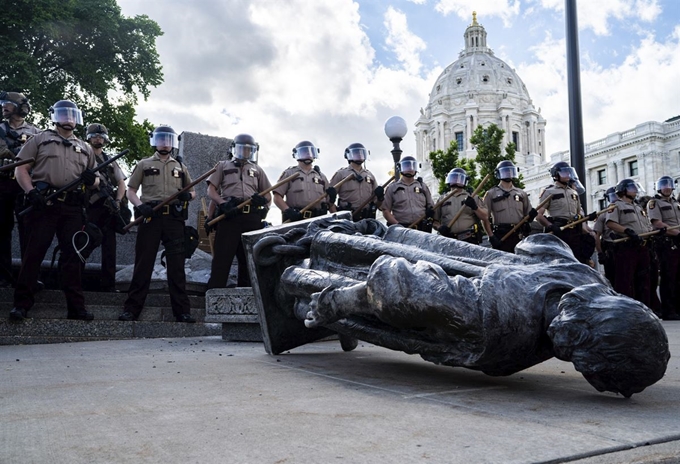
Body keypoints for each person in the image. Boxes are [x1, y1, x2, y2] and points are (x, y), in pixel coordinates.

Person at [262, 219, 668, 398]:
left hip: (423, 275)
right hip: (391, 280)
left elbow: (538, 245)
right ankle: (297, 290)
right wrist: (339, 302)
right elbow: (394, 286)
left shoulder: (590, 285)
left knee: (353, 278)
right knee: (326, 291)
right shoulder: (500, 318)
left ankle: (308, 289)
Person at [9, 100, 99, 321]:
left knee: (74, 256)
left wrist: (92, 180)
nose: (68, 118)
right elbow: (21, 169)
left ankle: (76, 307)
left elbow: (96, 180)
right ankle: (22, 304)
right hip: (44, 204)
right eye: (63, 114)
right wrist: (31, 192)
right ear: (55, 117)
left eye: (72, 115)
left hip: (73, 207)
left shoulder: (86, 148)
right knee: (34, 254)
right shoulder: (40, 139)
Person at [118, 126, 195, 322]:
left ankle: (182, 311)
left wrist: (188, 195)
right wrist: (140, 206)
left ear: (173, 142)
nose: (165, 143)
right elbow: (131, 191)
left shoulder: (180, 167)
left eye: (168, 139)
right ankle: (132, 309)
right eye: (161, 139)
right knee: (143, 264)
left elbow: (192, 192)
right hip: (150, 217)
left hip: (174, 220)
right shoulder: (144, 164)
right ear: (155, 141)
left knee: (177, 266)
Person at [206, 133, 271, 289]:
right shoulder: (222, 166)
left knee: (250, 260)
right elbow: (211, 191)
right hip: (229, 215)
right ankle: (215, 295)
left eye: (249, 150)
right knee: (222, 258)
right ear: (234, 149)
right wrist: (222, 204)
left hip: (251, 218)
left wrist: (263, 204)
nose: (245, 152)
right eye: (242, 149)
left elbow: (268, 194)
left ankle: (247, 295)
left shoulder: (257, 170)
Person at [0, 91, 41, 287]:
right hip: (2, 183)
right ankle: (3, 276)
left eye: (7, 103)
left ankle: (29, 276)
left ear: (19, 107)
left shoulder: (36, 132)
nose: (3, 107)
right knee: (1, 229)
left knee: (29, 230)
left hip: (24, 183)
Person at [84, 123, 127, 292]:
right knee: (85, 241)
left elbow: (122, 183)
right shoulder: (83, 155)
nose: (98, 139)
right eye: (95, 135)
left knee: (110, 247)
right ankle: (75, 279)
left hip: (108, 206)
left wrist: (117, 200)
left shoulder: (110, 160)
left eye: (101, 136)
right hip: (89, 205)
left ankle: (108, 284)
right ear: (89, 137)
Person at [604, 178, 654, 306]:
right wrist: (627, 231)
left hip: (642, 247)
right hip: (627, 247)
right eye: (632, 188)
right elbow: (610, 223)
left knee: (644, 280)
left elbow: (645, 225)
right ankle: (624, 308)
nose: (635, 191)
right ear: (623, 190)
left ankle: (644, 308)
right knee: (625, 281)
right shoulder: (616, 205)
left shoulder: (637, 207)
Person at [536, 161, 596, 264]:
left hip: (574, 232)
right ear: (556, 175)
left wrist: (587, 218)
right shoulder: (549, 192)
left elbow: (578, 213)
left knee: (577, 260)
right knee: (561, 262)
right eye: (564, 173)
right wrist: (550, 226)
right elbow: (539, 215)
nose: (568, 175)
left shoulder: (574, 193)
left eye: (569, 172)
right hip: (559, 231)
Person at [273, 141, 335, 222]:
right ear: (297, 154)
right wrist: (287, 210)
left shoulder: (321, 177)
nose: (308, 155)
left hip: (318, 220)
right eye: (304, 152)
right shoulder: (289, 173)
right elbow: (277, 197)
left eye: (310, 152)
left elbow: (330, 205)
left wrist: (332, 199)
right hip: (296, 219)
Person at [483, 160, 536, 252]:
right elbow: (484, 218)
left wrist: (531, 216)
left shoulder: (521, 193)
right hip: (501, 234)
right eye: (505, 171)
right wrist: (491, 236)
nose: (508, 174)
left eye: (511, 171)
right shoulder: (491, 193)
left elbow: (527, 214)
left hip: (518, 235)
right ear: (499, 173)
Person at [646, 176, 680, 320]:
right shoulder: (654, 203)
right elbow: (657, 223)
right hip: (667, 242)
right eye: (664, 185)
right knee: (669, 276)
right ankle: (668, 310)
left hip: (678, 240)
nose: (667, 187)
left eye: (669, 185)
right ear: (659, 188)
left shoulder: (676, 203)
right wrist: (677, 233)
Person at [330, 142, 383, 221]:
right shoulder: (341, 174)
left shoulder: (370, 175)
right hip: (348, 218)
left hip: (367, 219)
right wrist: (338, 219)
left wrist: (380, 198)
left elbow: (379, 205)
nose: (359, 155)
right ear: (348, 155)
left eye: (361, 153)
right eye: (356, 153)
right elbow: (329, 200)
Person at [434, 168, 488, 244]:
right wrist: (440, 228)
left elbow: (485, 217)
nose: (456, 181)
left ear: (464, 180)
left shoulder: (472, 197)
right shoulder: (442, 199)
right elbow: (434, 221)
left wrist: (475, 207)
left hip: (469, 239)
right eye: (454, 178)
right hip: (449, 240)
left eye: (459, 178)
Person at [381, 156, 434, 232]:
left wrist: (430, 214)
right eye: (406, 166)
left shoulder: (422, 186)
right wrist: (398, 226)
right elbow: (386, 211)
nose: (409, 169)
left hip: (422, 229)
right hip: (402, 229)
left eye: (412, 166)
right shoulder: (392, 188)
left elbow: (431, 206)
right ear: (400, 168)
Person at [593, 187, 617, 283]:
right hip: (611, 248)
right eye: (613, 196)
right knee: (613, 278)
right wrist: (600, 253)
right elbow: (597, 235)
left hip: (627, 248)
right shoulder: (604, 214)